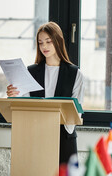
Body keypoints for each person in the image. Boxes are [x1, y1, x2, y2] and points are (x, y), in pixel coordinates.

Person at [6, 21, 85, 164]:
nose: (44, 47)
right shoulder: (30, 72)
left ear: (58, 41)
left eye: (48, 42)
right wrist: (14, 94)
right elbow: (23, 105)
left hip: (64, 139)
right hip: (36, 136)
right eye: (40, 42)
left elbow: (76, 112)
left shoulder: (75, 73)